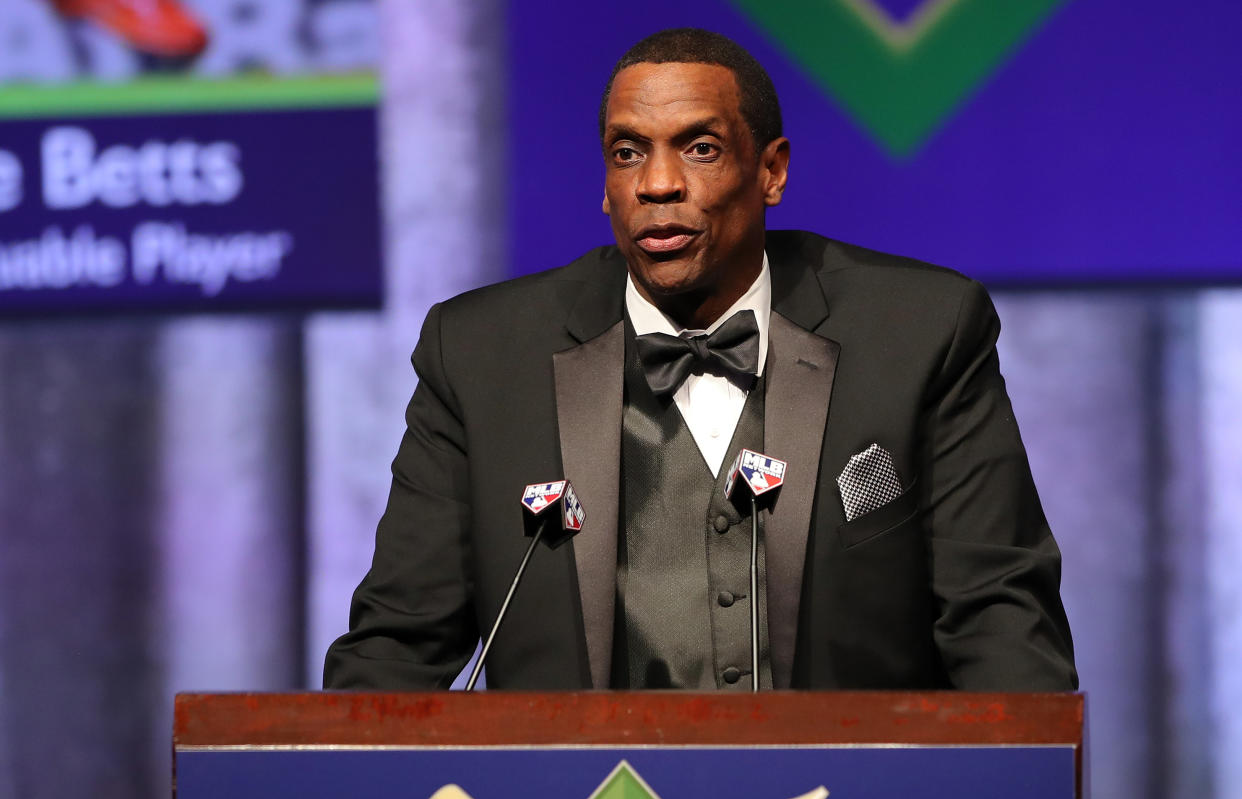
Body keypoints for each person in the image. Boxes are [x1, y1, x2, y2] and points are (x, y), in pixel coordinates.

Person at [324, 28, 1077, 692]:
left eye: (700, 148)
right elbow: (397, 646)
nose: (657, 184)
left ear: (772, 172)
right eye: (628, 154)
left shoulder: (918, 332)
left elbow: (1000, 620)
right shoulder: (484, 355)